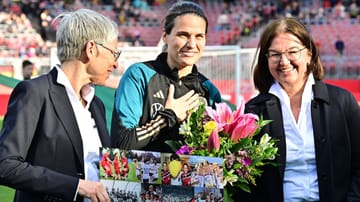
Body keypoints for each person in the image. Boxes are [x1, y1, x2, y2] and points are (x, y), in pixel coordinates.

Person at [0, 8, 121, 202]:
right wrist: (76, 186)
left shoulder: (96, 104)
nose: (115, 64)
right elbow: (6, 165)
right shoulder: (34, 92)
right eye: (114, 53)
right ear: (91, 49)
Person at [243, 17, 360, 201]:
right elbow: (247, 179)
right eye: (275, 54)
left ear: (309, 54)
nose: (284, 61)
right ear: (266, 60)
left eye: (292, 52)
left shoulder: (342, 102)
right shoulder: (253, 111)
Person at [111, 0, 222, 152]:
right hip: (142, 176)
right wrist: (167, 117)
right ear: (165, 36)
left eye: (199, 36)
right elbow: (122, 142)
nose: (191, 44)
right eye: (183, 35)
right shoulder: (139, 75)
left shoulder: (209, 90)